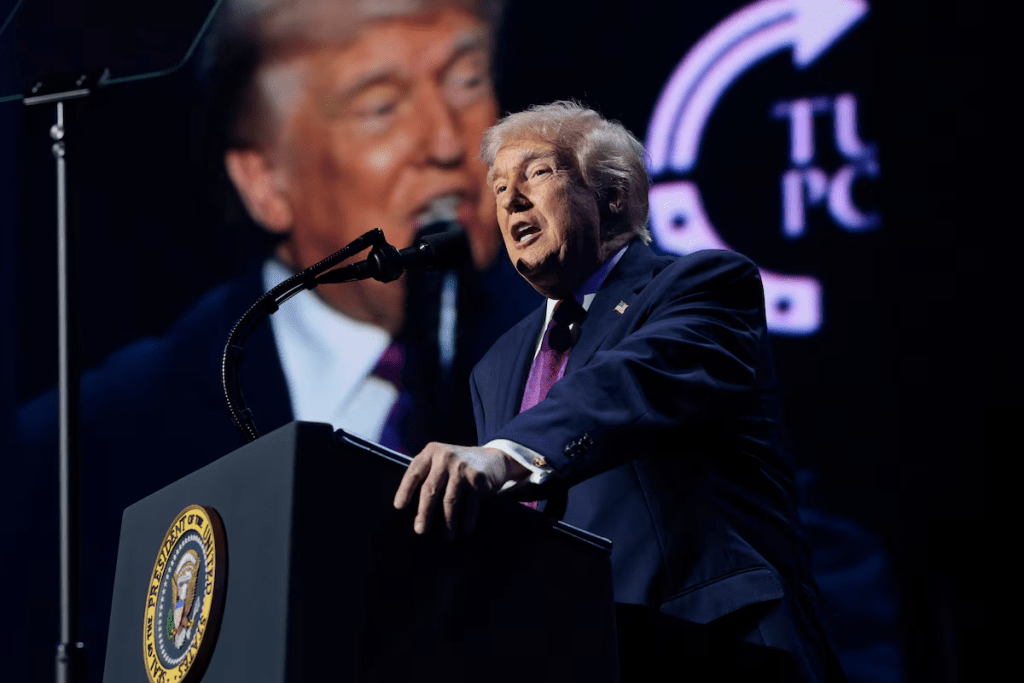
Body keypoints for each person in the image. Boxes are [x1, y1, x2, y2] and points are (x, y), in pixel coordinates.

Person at [14, 1, 540, 680]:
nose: (447, 140)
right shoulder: (81, 450)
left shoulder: (594, 370)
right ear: (266, 181)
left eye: (468, 81)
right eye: (380, 105)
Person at [394, 101, 843, 681]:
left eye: (537, 172)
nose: (509, 199)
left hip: (718, 643)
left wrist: (503, 455)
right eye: (499, 186)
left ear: (613, 195)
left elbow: (633, 380)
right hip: (579, 655)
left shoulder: (701, 285)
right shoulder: (497, 365)